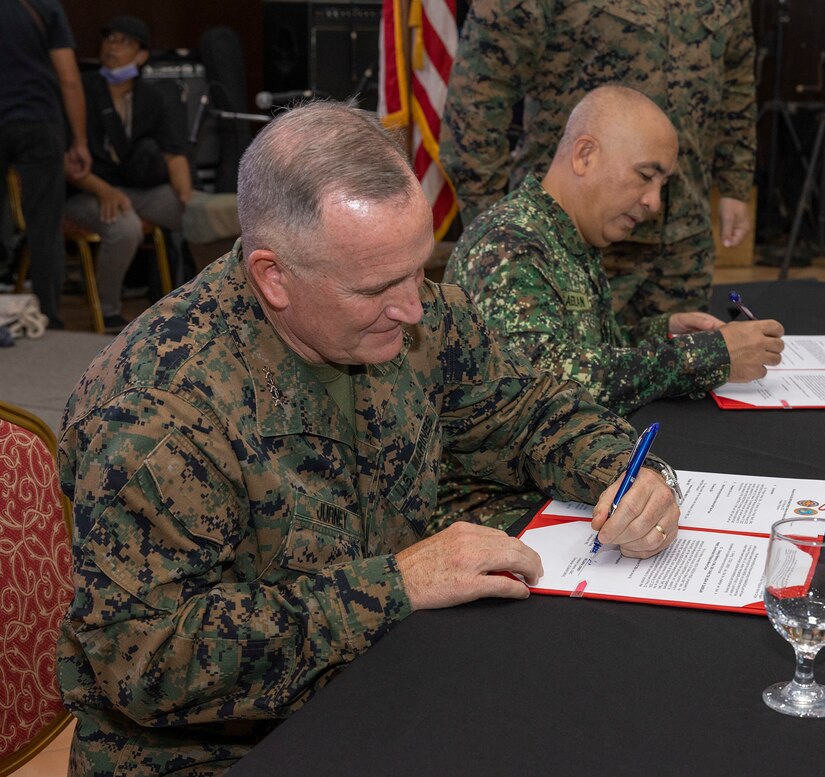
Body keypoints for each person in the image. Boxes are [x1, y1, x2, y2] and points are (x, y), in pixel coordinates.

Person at [57, 101, 682, 776]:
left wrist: (624, 470)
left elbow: (525, 409)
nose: (414, 306)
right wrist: (396, 584)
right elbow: (152, 662)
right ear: (274, 277)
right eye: (379, 287)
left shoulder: (410, 315)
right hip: (223, 747)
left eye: (420, 268)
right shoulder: (157, 412)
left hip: (389, 677)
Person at [440, 86, 784, 529]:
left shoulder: (562, 235)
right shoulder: (510, 247)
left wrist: (662, 332)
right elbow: (552, 385)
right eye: (645, 176)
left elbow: (582, 348)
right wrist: (709, 355)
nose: (654, 202)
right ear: (584, 155)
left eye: (663, 184)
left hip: (555, 475)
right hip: (496, 507)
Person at [440, 0, 756, 329]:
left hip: (681, 236)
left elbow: (737, 82)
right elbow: (478, 95)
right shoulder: (520, 248)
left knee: (677, 366)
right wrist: (495, 225)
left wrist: (736, 182)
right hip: (565, 237)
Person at [64, 15, 192, 332]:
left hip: (141, 189)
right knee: (125, 227)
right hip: (86, 190)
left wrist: (187, 197)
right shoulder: (81, 88)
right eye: (110, 39)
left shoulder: (151, 96)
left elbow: (173, 153)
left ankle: (205, 304)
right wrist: (104, 191)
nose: (113, 47)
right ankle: (108, 312)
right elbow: (65, 162)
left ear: (142, 55)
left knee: (201, 214)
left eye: (124, 42)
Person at [0, 0, 91, 328]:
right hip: (38, 120)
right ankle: (48, 316)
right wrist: (79, 140)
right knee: (44, 223)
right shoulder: (44, 6)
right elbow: (68, 78)